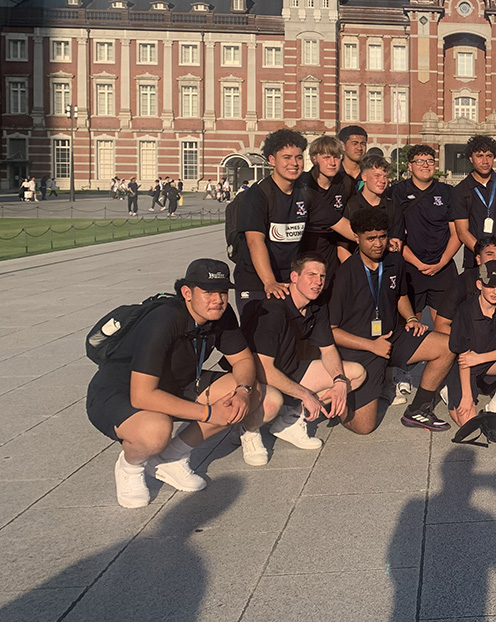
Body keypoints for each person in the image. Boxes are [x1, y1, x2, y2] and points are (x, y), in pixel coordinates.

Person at [85, 259, 272, 508]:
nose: (218, 299)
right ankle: (130, 468)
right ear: (187, 293)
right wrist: (209, 413)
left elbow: (243, 361)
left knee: (256, 392)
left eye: (222, 292)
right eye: (208, 292)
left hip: (178, 382)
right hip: (120, 390)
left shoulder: (221, 313)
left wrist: (243, 391)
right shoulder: (164, 319)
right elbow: (142, 396)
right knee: (156, 431)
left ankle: (171, 458)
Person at [330, 207, 456, 432]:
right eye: (370, 238)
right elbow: (332, 330)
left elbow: (400, 295)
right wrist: (371, 345)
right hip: (361, 350)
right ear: (357, 237)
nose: (378, 243)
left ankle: (418, 410)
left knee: (447, 345)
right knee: (364, 427)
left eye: (382, 236)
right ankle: (336, 402)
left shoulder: (394, 262)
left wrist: (410, 318)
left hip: (391, 338)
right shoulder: (345, 274)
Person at [240, 254, 368, 460]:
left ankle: (290, 421)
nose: (318, 282)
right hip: (259, 376)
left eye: (322, 276)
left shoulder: (316, 307)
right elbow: (263, 368)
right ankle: (248, 431)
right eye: (311, 275)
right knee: (272, 402)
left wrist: (339, 380)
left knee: (355, 374)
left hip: (290, 369)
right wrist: (305, 395)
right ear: (294, 277)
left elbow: (327, 350)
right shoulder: (273, 309)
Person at [233, 130, 309, 315]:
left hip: (288, 280)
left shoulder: (305, 193)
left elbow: (336, 221)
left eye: (298, 157)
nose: (294, 163)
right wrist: (269, 282)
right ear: (272, 160)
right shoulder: (257, 195)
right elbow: (254, 241)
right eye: (287, 157)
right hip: (256, 281)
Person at [446, 260, 496, 427]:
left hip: (487, 361)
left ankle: (495, 405)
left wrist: (480, 358)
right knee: (468, 424)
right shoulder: (465, 310)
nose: (495, 291)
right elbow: (463, 357)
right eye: (490, 286)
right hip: (465, 367)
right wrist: (467, 396)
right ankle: (449, 391)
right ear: (479, 284)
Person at [392, 144, 461, 341]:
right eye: (420, 161)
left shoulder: (448, 191)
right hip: (411, 268)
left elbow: (456, 234)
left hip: (443, 268)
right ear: (410, 166)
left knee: (446, 325)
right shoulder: (397, 192)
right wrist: (418, 264)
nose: (425, 165)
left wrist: (442, 262)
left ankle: (446, 366)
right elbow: (396, 237)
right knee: (412, 324)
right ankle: (407, 370)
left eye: (430, 161)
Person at [451, 133, 496, 284]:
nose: (485, 161)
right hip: (475, 260)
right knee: (476, 305)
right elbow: (462, 231)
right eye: (480, 155)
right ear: (471, 158)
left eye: (489, 156)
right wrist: (484, 256)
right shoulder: (461, 190)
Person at [297, 135, 357, 279]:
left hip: (332, 254)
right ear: (313, 159)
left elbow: (351, 218)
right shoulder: (301, 184)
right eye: (326, 157)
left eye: (336, 157)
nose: (332, 163)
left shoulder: (346, 183)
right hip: (303, 252)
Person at [337, 125, 368, 189]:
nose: (359, 148)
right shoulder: (335, 173)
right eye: (354, 143)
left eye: (363, 144)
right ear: (343, 145)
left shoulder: (369, 174)